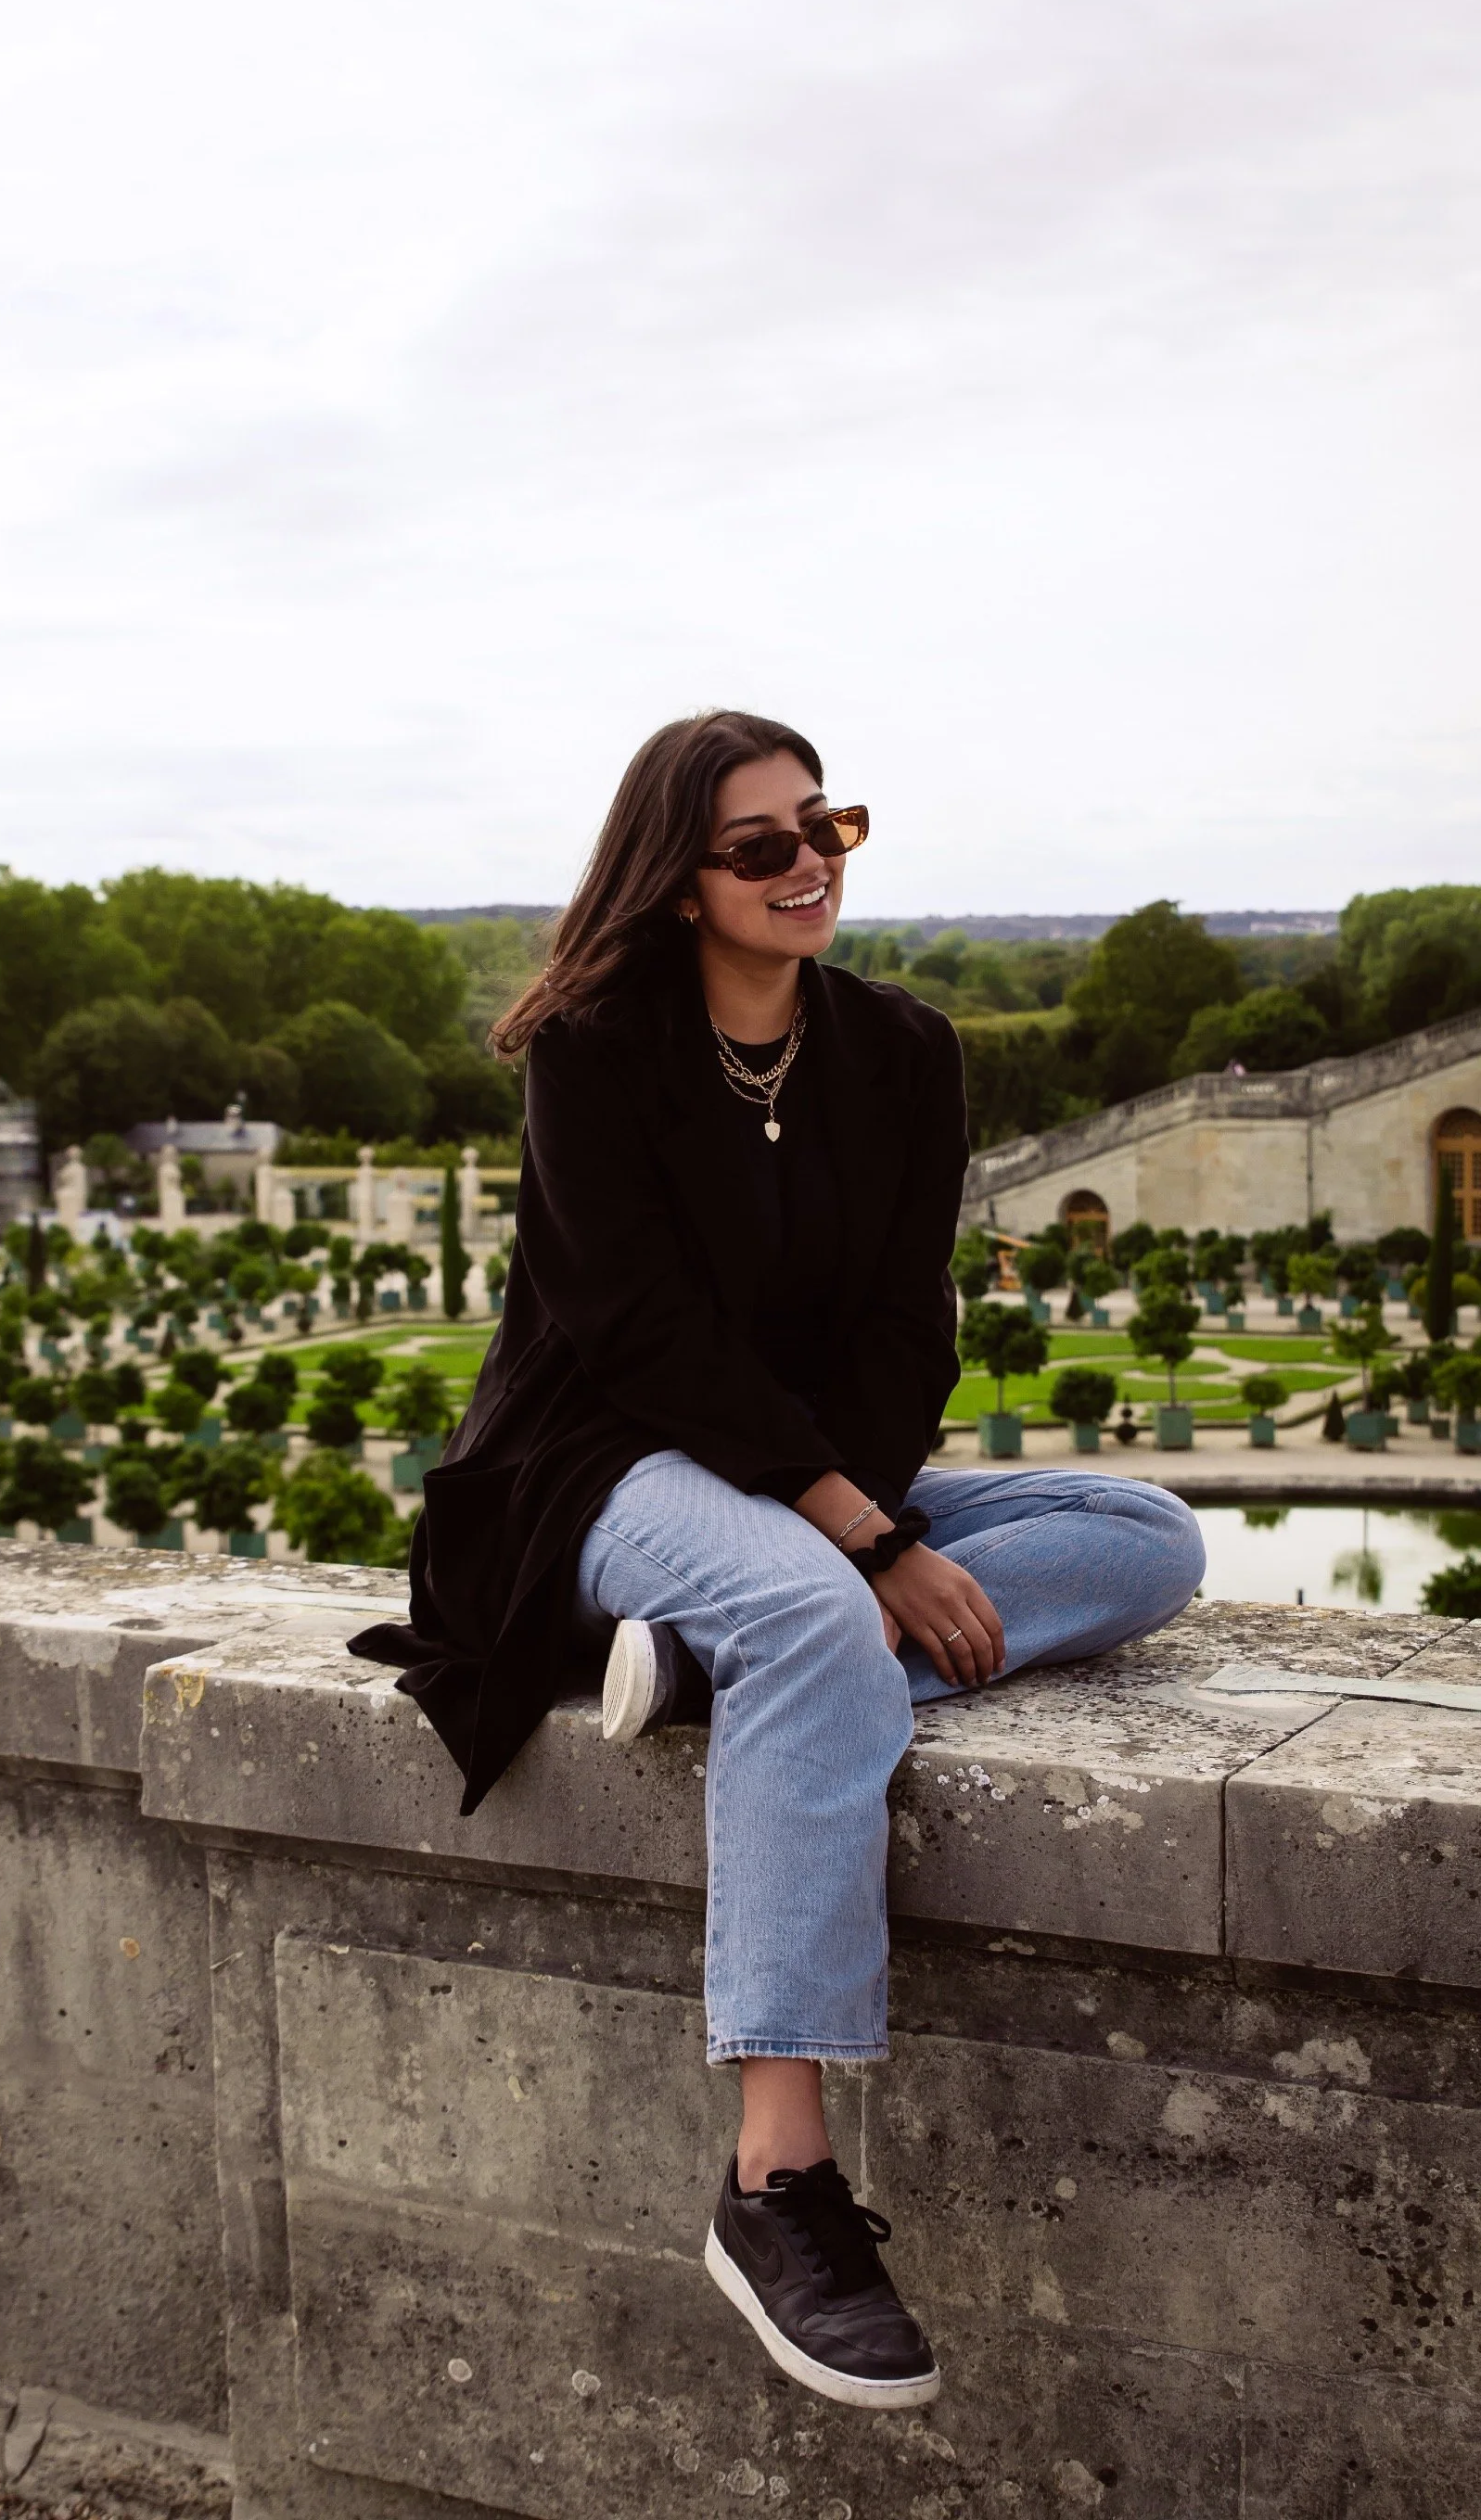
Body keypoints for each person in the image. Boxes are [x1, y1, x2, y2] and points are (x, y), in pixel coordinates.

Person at [351, 709, 1203, 2412]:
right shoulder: (595, 1051)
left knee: (1150, 1541)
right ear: (679, 880)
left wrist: (859, 1514)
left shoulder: (904, 1050)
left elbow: (906, 1323)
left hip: (819, 1482)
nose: (810, 861)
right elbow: (638, 1335)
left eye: (832, 827)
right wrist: (859, 1544)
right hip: (595, 1469)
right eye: (763, 843)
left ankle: (715, 1654)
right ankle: (776, 2181)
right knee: (815, 1610)